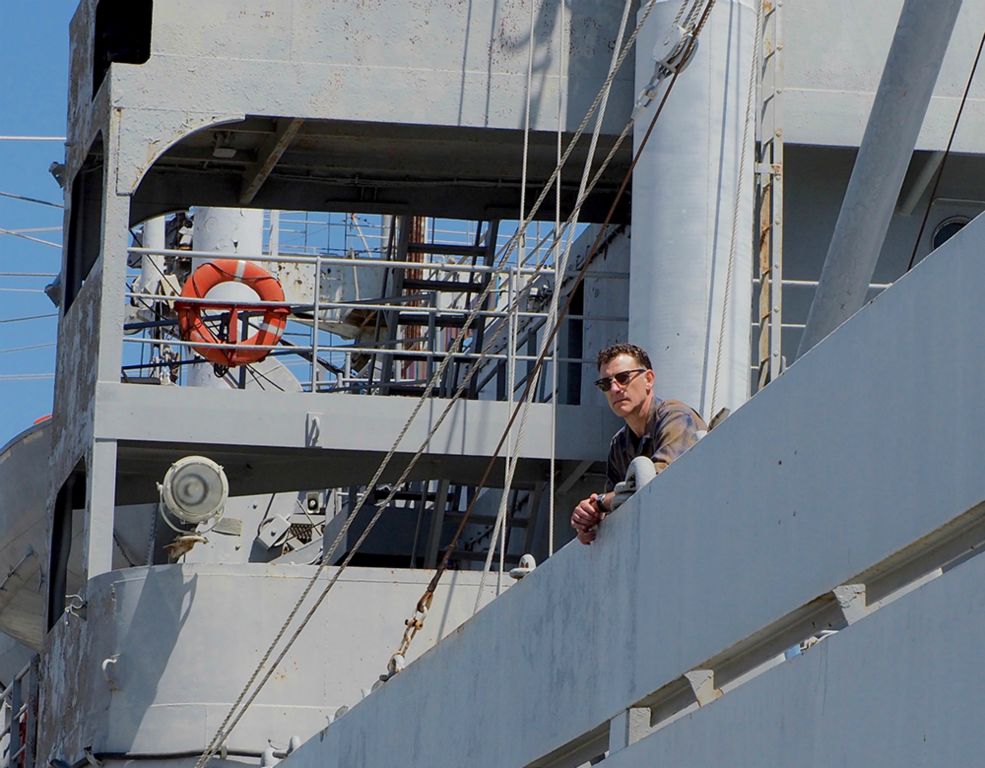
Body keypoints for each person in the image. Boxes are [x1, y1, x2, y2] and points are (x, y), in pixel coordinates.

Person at [570, 343, 706, 545]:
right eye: (605, 384)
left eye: (623, 378)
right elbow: (615, 506)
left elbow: (657, 485)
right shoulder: (619, 444)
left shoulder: (676, 417)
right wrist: (589, 519)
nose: (615, 389)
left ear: (648, 379)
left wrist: (600, 502)